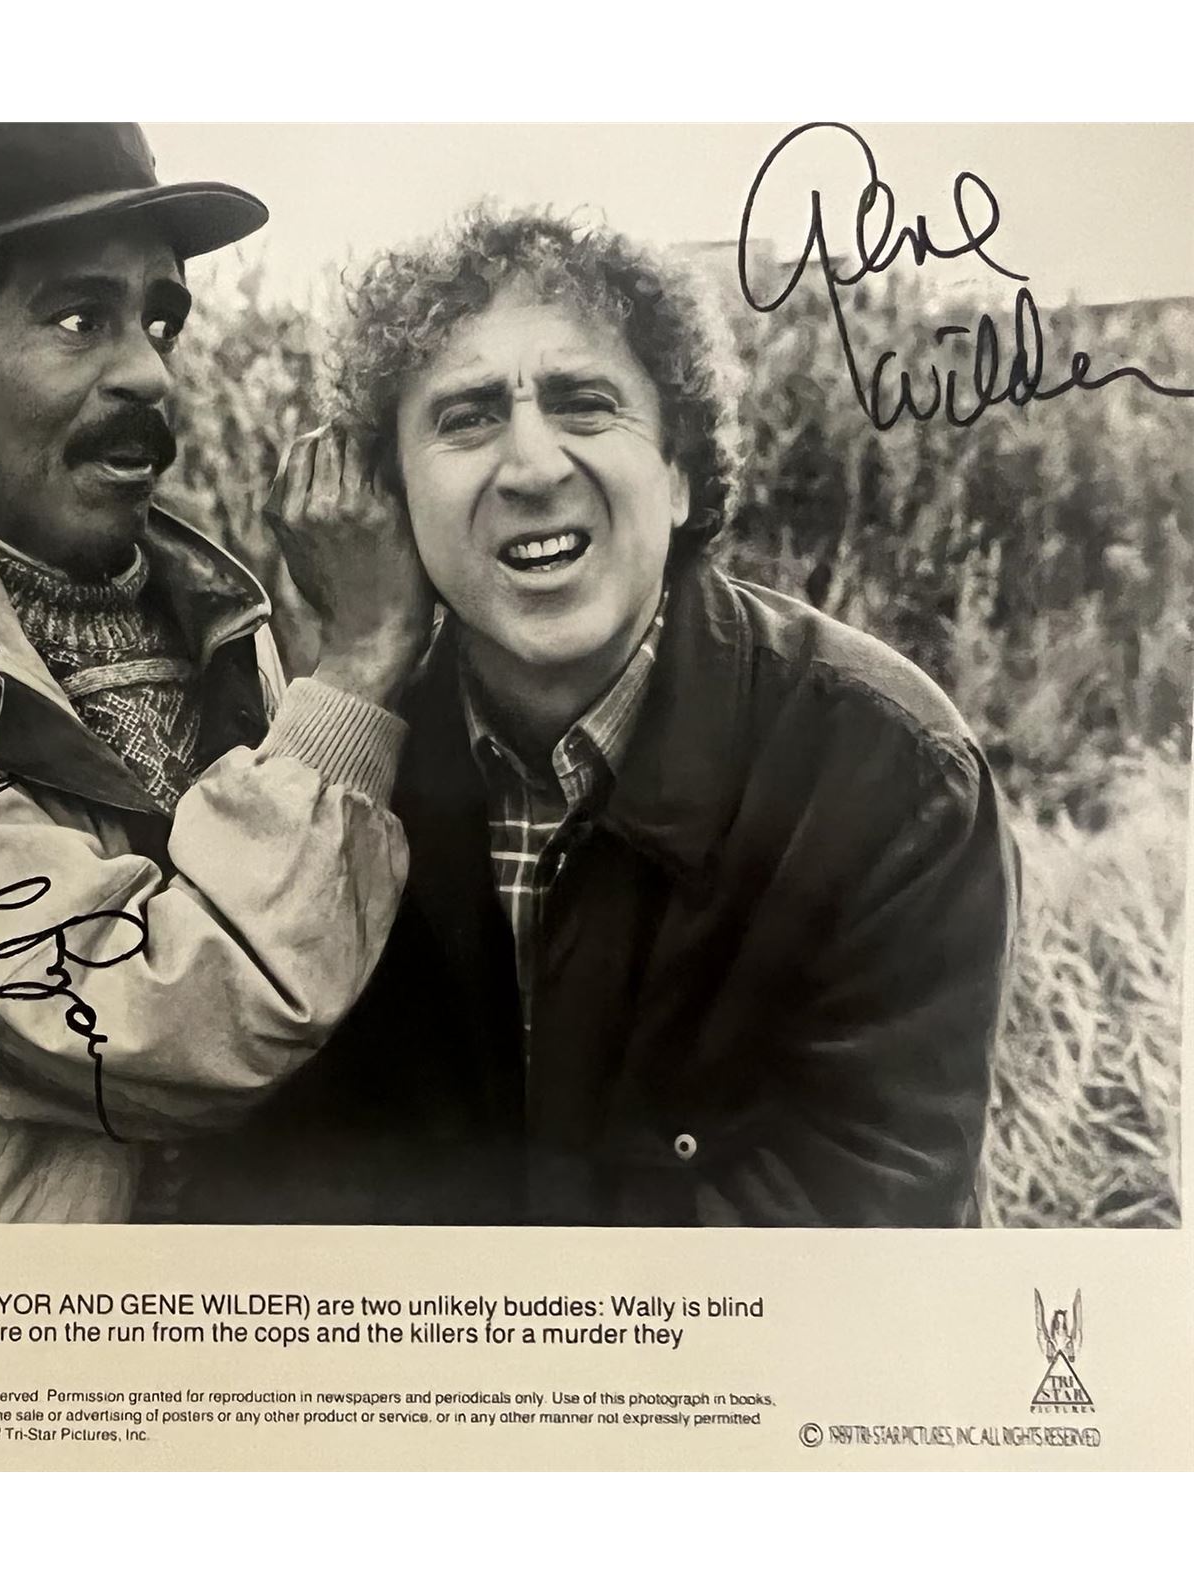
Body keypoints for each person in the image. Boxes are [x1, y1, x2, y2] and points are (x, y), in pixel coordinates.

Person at [180, 207, 1020, 1227]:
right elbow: (267, 1182)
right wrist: (359, 666)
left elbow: (857, 1221)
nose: (533, 468)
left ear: (680, 475)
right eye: (468, 417)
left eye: (584, 404)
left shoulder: (887, 770)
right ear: (391, 502)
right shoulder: (343, 773)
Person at [0, 123, 432, 1222]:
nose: (151, 370)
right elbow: (158, 1022)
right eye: (77, 318)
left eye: (160, 318)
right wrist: (362, 663)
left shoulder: (215, 616)